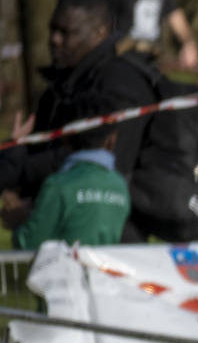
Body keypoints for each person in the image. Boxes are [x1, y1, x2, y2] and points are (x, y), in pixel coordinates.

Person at [0, 0, 155, 242]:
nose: (54, 39)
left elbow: (92, 155)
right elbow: (40, 147)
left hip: (109, 237)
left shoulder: (120, 82)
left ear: (100, 32)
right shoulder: (65, 83)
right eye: (52, 30)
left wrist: (19, 168)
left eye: (66, 32)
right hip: (57, 229)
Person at [1, 91, 130, 248]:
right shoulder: (119, 185)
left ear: (65, 139)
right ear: (112, 139)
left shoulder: (58, 186)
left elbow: (29, 242)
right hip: (104, 272)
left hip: (62, 271)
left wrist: (19, 220)